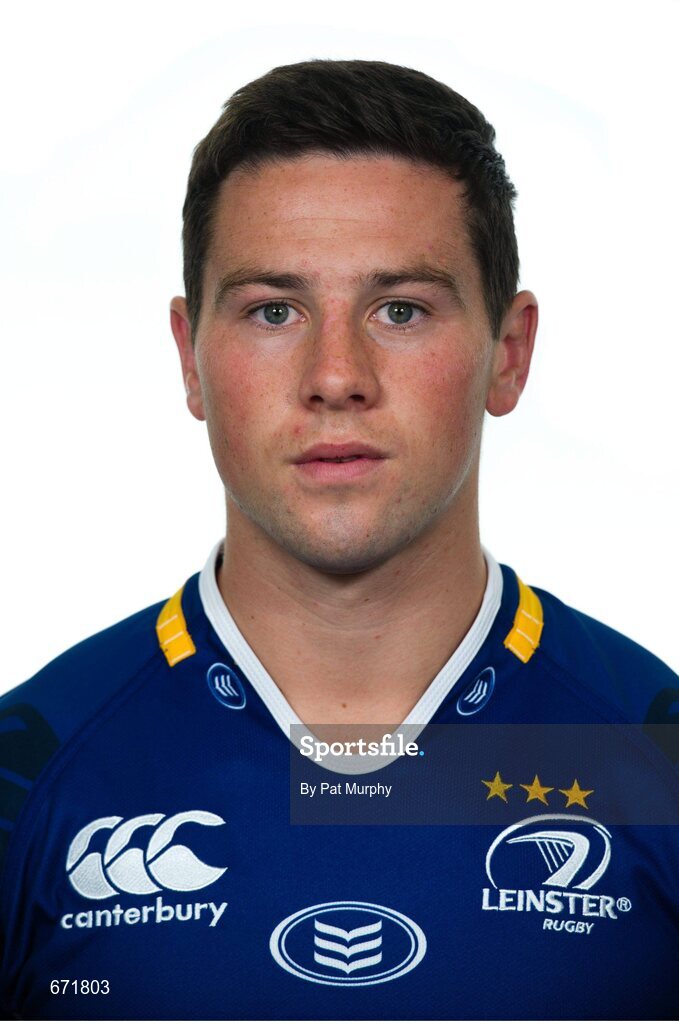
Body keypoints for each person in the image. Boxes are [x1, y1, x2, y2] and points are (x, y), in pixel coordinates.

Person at [0, 59, 677, 1021]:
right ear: (190, 359)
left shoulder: (658, 759)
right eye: (274, 311)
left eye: (399, 309)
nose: (334, 376)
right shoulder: (27, 773)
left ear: (508, 354)